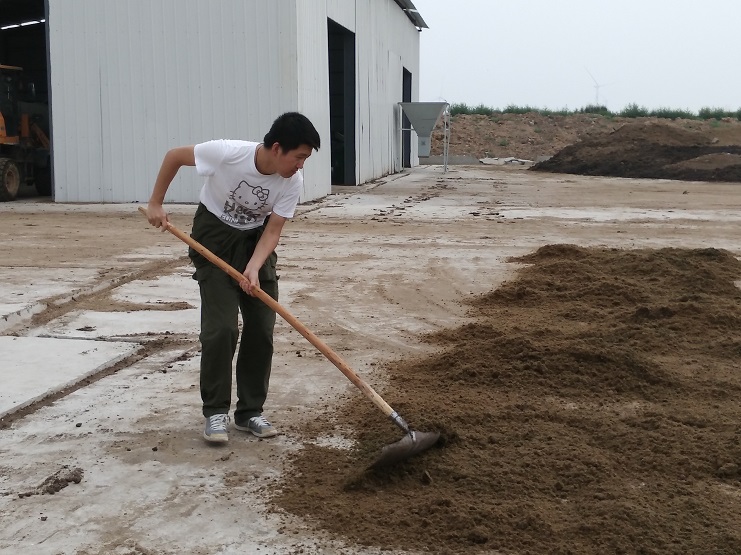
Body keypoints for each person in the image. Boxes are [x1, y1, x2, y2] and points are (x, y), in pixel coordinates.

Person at [145, 112, 321, 444]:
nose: (300, 166)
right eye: (298, 157)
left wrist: (254, 267)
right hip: (214, 237)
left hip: (255, 241)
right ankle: (215, 412)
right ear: (277, 148)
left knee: (262, 327)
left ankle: (250, 412)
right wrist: (156, 202)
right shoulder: (227, 153)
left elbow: (273, 231)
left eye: (305, 159)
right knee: (221, 329)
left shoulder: (292, 181)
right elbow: (174, 156)